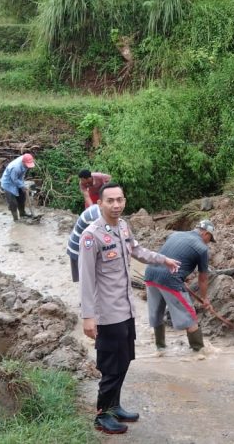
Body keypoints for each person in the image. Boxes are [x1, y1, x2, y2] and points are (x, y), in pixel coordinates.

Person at [79, 182, 179, 434]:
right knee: (111, 366)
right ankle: (102, 415)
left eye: (120, 200)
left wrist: (163, 259)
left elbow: (137, 250)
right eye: (110, 200)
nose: (116, 205)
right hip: (107, 314)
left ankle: (114, 406)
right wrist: (88, 317)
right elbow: (87, 279)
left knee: (124, 361)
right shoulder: (91, 236)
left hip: (126, 310)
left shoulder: (123, 226)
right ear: (100, 203)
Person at [144, 219, 216, 355]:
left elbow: (173, 254)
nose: (208, 243)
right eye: (210, 239)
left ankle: (160, 349)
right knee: (190, 317)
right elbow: (203, 278)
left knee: (157, 314)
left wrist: (182, 276)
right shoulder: (202, 248)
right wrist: (205, 299)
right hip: (170, 279)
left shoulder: (175, 235)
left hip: (150, 273)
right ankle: (199, 352)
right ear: (206, 234)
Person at [65, 203, 100, 282]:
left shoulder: (98, 209)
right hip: (78, 249)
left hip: (79, 243)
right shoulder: (96, 218)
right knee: (88, 280)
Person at [1, 153, 35, 222]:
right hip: (8, 184)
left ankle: (22, 214)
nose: (28, 167)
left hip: (17, 180)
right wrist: (22, 186)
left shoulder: (26, 159)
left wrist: (22, 186)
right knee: (13, 203)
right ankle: (15, 219)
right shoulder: (15, 167)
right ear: (23, 162)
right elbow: (14, 179)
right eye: (27, 165)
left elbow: (21, 175)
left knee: (22, 198)